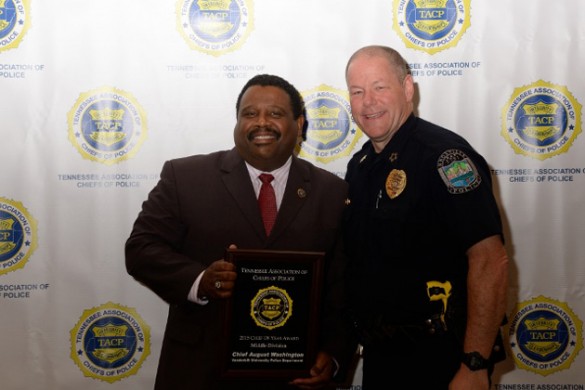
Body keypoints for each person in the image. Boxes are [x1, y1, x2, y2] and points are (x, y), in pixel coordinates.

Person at [125, 74, 355, 390]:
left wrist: (334, 354)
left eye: (275, 113)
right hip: (200, 373)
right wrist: (199, 280)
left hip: (295, 375)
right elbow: (141, 249)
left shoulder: (331, 191)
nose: (261, 123)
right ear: (237, 122)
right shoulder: (186, 178)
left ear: (299, 124)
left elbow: (341, 284)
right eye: (249, 114)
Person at [342, 45, 509, 389]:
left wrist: (475, 364)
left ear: (407, 89)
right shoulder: (360, 167)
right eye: (357, 92)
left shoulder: (445, 158)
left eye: (379, 87)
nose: (368, 102)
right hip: (382, 355)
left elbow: (489, 260)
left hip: (442, 359)